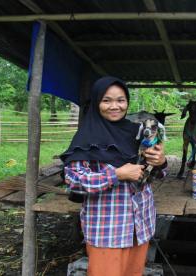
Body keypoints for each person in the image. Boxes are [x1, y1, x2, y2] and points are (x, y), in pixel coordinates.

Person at [60, 76, 167, 276]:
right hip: (107, 227)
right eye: (106, 100)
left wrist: (160, 162)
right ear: (96, 102)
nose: (115, 106)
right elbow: (74, 181)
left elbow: (153, 175)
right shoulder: (86, 136)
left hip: (140, 224)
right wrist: (117, 174)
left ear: (127, 102)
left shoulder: (138, 132)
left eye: (121, 100)